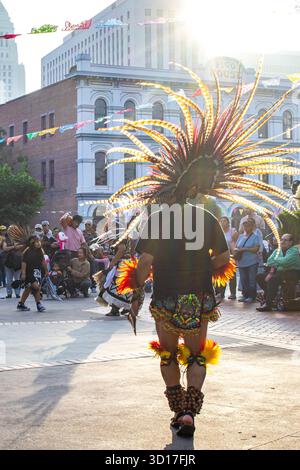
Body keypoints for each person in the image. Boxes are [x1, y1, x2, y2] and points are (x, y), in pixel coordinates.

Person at [89, 64, 298, 438]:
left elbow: (145, 264)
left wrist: (136, 287)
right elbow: (222, 260)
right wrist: (211, 267)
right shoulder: (208, 219)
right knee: (197, 354)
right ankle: (191, 412)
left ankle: (177, 408)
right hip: (199, 298)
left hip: (167, 296)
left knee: (168, 354)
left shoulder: (156, 219)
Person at [256, 234, 300, 312]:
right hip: (279, 272)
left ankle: (268, 304)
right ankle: (271, 294)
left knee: (273, 279)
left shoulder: (294, 251)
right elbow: (269, 261)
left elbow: (285, 262)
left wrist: (276, 260)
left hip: (291, 273)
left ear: (291, 242)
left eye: (285, 240)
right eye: (281, 239)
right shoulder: (277, 250)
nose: (282, 241)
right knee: (259, 276)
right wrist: (280, 262)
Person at [17, 236, 49, 312]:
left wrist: (46, 271)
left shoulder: (40, 251)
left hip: (37, 272)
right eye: (37, 241)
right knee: (36, 287)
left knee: (28, 289)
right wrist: (23, 273)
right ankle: (39, 304)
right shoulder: (27, 250)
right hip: (28, 272)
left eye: (39, 241)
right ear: (32, 242)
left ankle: (21, 304)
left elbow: (43, 261)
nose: (39, 243)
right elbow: (24, 262)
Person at [234, 218, 260, 303]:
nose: (246, 228)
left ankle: (252, 296)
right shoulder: (241, 236)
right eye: (244, 226)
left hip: (252, 262)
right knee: (243, 279)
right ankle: (245, 295)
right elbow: (237, 246)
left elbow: (256, 249)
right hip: (241, 262)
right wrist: (236, 250)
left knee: (251, 279)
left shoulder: (255, 236)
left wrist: (244, 249)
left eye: (248, 226)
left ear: (252, 227)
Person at [215, 217, 238, 299]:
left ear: (228, 223)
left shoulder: (232, 231)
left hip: (231, 255)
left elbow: (235, 242)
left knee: (232, 275)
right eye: (221, 221)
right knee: (221, 274)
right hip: (221, 255)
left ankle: (233, 293)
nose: (222, 222)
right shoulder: (218, 232)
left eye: (224, 221)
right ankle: (221, 293)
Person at [2, 228, 24, 299]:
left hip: (18, 263)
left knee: (17, 279)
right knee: (9, 280)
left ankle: (17, 293)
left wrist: (13, 247)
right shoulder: (5, 239)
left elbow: (21, 246)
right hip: (8, 263)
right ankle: (9, 293)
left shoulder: (19, 239)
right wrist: (14, 247)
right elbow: (5, 248)